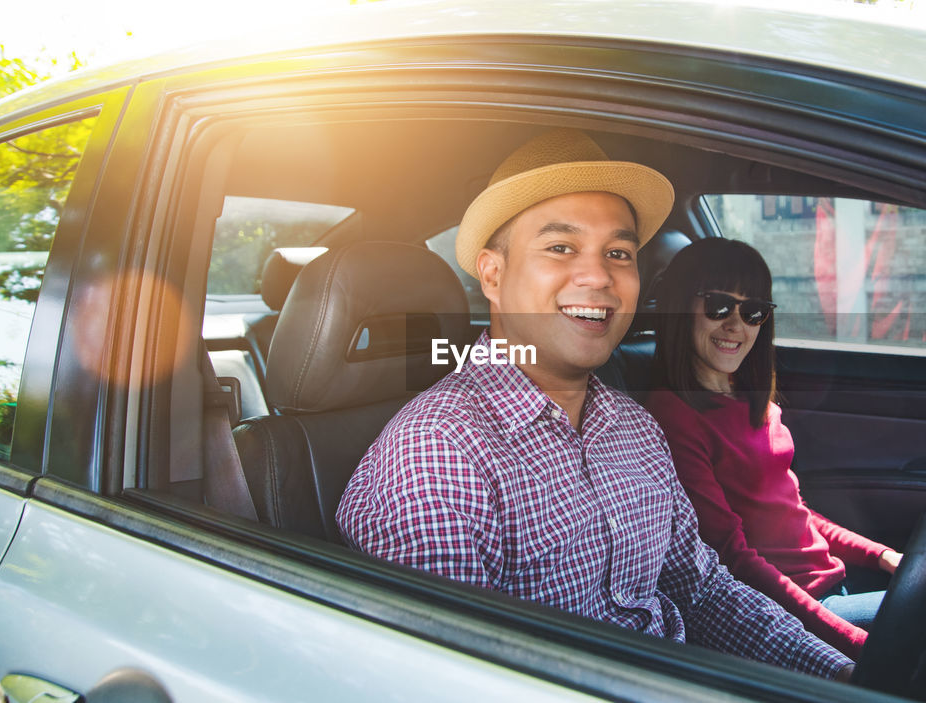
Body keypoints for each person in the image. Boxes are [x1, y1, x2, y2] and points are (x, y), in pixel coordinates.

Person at [335, 129, 854, 680]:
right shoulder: (438, 451)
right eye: (561, 248)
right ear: (492, 273)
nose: (599, 277)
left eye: (618, 253)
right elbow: (461, 678)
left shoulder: (633, 427)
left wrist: (838, 675)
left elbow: (701, 593)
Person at [645, 238, 902, 660]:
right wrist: (846, 640)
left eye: (753, 312)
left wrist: (883, 556)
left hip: (833, 582)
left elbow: (795, 510)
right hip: (794, 608)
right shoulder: (673, 416)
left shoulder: (748, 397)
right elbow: (730, 556)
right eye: (718, 306)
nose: (736, 326)